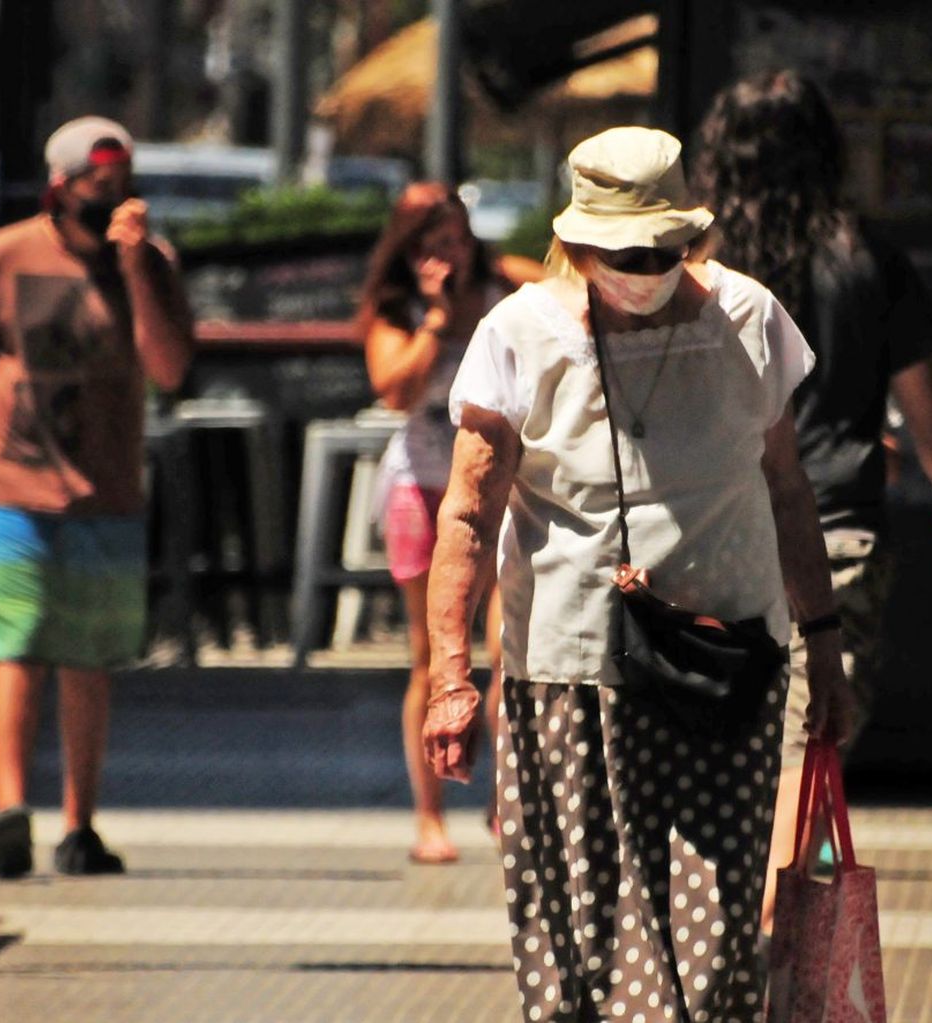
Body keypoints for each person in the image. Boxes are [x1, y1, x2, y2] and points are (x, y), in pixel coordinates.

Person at [422, 126, 850, 1021]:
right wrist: (451, 680)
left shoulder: (750, 319)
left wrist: (826, 648)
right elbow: (468, 509)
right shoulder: (521, 331)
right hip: (570, 674)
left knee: (723, 938)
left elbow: (787, 489)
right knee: (578, 926)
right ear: (576, 242)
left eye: (667, 247)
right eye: (625, 250)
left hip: (726, 662)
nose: (647, 265)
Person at [691, 69, 932, 930]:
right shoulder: (867, 260)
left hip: (713, 536)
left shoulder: (700, 270)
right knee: (806, 742)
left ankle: (728, 935)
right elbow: (929, 412)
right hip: (837, 535)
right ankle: (773, 943)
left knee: (727, 741)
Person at [0, 117, 194, 879]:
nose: (114, 196)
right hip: (15, 485)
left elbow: (170, 366)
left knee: (88, 660)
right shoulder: (10, 253)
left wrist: (133, 269)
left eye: (123, 183)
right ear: (60, 188)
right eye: (98, 185)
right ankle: (10, 808)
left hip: (107, 491)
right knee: (16, 642)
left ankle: (79, 823)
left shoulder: (150, 262)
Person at [359, 182, 540, 864]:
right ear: (408, 253)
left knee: (507, 654)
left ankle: (504, 802)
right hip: (420, 487)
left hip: (499, 493)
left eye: (457, 239)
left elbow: (568, 298)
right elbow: (395, 389)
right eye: (432, 245)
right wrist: (434, 319)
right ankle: (429, 816)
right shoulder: (394, 310)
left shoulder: (508, 289)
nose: (449, 254)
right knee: (430, 659)